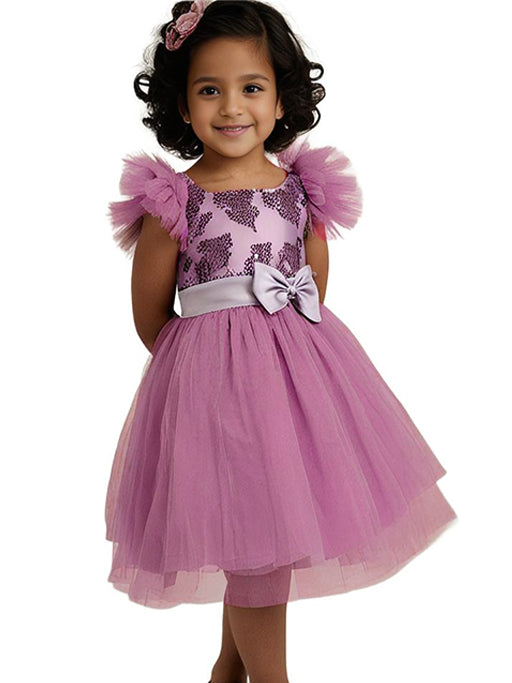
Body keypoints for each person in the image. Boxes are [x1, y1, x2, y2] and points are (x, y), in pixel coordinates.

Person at [104, 2, 458, 682]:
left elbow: (312, 285)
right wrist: (202, 372)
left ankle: (229, 671)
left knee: (266, 536)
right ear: (181, 103)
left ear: (280, 97)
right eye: (210, 89)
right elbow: (151, 315)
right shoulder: (175, 200)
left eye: (251, 87)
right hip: (213, 393)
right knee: (255, 540)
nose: (232, 107)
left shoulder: (301, 191)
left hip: (298, 390)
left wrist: (284, 359)